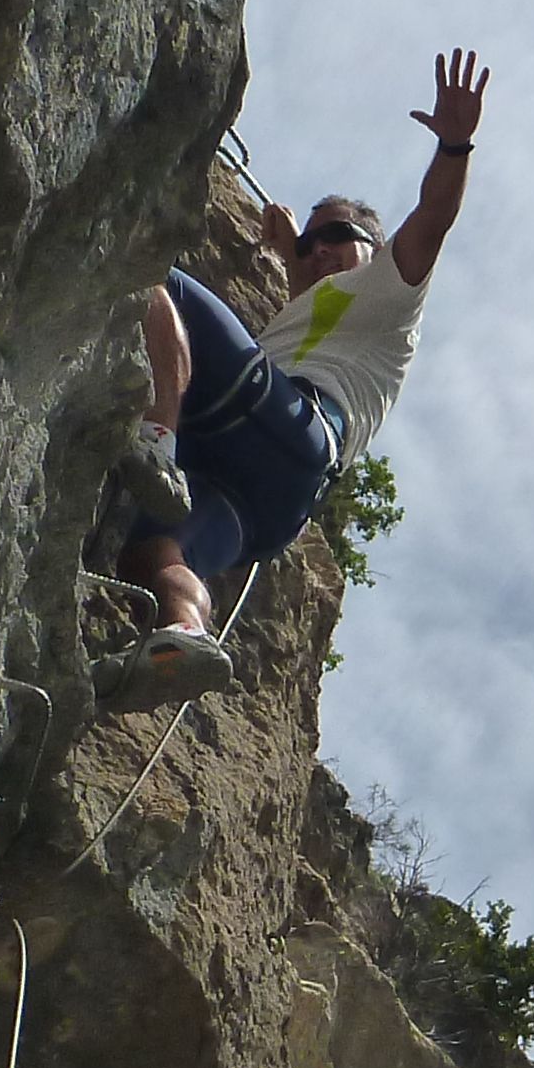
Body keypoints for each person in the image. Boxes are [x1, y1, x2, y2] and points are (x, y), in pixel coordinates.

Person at [99, 49, 489, 706]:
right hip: (274, 501)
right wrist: (291, 250)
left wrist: (454, 145)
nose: (320, 249)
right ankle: (184, 634)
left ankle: (158, 441)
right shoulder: (314, 308)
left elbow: (432, 219)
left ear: (373, 245)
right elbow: (309, 292)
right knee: (154, 554)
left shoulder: (390, 288)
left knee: (156, 277)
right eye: (312, 241)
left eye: (336, 233)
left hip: (290, 428)